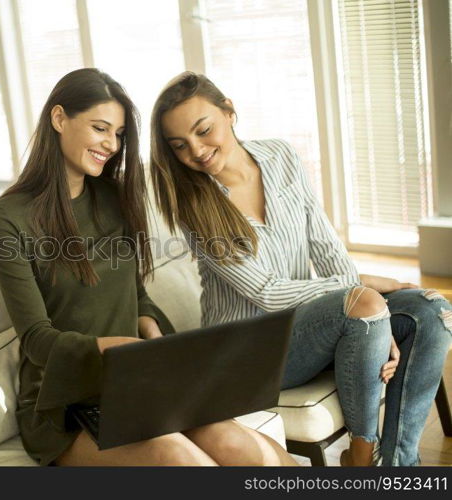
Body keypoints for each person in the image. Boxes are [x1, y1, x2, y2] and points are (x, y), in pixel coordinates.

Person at [0, 68, 298, 466]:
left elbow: (136, 294)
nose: (111, 144)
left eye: (117, 134)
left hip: (135, 383)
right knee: (179, 458)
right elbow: (37, 339)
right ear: (59, 118)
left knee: (238, 445)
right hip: (63, 405)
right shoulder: (9, 218)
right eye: (100, 128)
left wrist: (153, 336)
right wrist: (114, 349)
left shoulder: (113, 197)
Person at [149, 71, 452, 466]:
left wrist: (367, 299)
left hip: (309, 326)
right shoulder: (195, 204)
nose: (197, 150)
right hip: (246, 354)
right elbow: (266, 291)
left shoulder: (280, 156)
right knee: (363, 305)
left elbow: (326, 245)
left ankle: (395, 465)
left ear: (229, 113)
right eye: (180, 145)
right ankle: (359, 461)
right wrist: (365, 296)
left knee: (431, 309)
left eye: (203, 130)